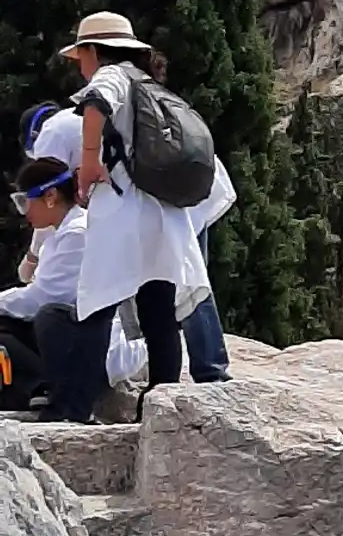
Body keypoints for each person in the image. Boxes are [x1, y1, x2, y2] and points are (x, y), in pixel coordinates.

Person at [21, 95, 234, 384]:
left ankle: (205, 374)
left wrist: (32, 259)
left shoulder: (52, 134)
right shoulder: (77, 123)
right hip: (186, 188)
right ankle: (203, 369)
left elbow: (49, 198)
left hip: (168, 201)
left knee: (176, 286)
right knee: (184, 284)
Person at [62, 11, 209, 395]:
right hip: (163, 215)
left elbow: (95, 103)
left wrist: (89, 161)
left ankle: (74, 405)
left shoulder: (112, 75)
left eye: (81, 58)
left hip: (123, 210)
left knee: (97, 302)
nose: (81, 69)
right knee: (159, 313)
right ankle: (162, 402)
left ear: (93, 51)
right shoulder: (147, 81)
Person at [0, 158, 139, 420]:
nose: (24, 211)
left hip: (99, 339)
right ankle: (38, 390)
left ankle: (61, 402)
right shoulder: (60, 234)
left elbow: (42, 298)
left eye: (25, 201)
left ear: (50, 196)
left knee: (48, 316)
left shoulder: (77, 234)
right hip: (82, 330)